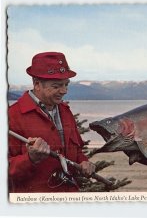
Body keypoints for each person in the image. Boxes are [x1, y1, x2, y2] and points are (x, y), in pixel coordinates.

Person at [8, 52, 95, 192]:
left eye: (66, 84)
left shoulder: (65, 111)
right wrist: (30, 158)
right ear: (37, 84)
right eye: (56, 86)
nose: (64, 91)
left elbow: (76, 150)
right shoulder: (11, 116)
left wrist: (83, 162)